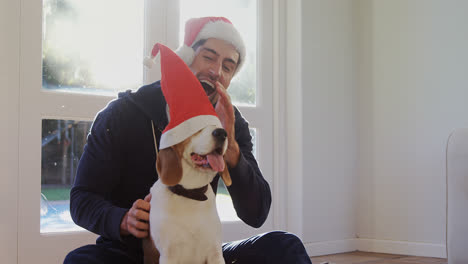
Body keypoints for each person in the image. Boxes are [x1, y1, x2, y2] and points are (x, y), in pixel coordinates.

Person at [64, 17, 312, 264]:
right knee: (79, 261)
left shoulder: (229, 125)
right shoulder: (122, 114)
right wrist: (123, 219)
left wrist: (233, 152)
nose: (216, 71)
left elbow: (256, 214)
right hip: (131, 253)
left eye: (227, 66)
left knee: (284, 246)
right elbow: (82, 199)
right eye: (208, 57)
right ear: (185, 57)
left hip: (199, 253)